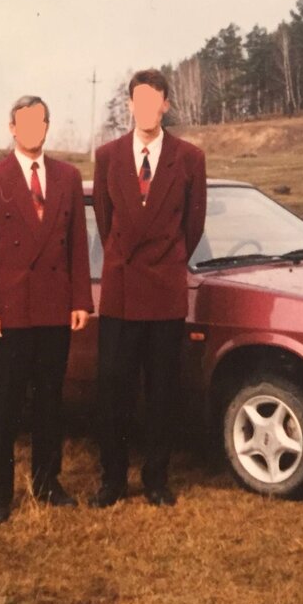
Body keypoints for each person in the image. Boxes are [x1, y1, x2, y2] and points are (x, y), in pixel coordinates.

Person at [0, 95, 93, 523]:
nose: (33, 130)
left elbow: (77, 243)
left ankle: (46, 482)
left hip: (54, 311)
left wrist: (80, 300)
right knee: (1, 406)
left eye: (40, 122)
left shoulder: (68, 177)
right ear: (12, 128)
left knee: (49, 404)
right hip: (7, 315)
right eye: (25, 123)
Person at [90, 69, 206, 507]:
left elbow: (191, 227)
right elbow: (106, 223)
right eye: (136, 101)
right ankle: (112, 480)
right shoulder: (107, 157)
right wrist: (126, 260)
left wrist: (166, 261)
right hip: (120, 293)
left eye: (152, 101)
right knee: (113, 391)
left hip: (164, 292)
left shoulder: (190, 158)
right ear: (130, 106)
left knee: (162, 392)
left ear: (165, 106)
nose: (144, 109)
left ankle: (157, 479)